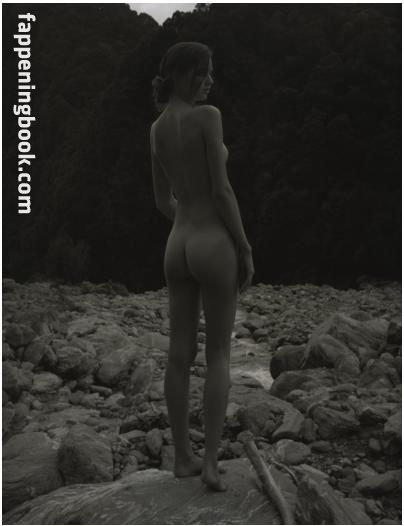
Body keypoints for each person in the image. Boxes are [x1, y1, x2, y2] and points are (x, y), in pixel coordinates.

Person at [149, 41, 254, 492]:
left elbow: (163, 201)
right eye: (206, 72)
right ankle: (210, 463)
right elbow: (222, 191)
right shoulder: (208, 117)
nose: (211, 80)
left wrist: (188, 224)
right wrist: (243, 247)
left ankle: (182, 459)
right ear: (186, 73)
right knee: (218, 355)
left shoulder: (156, 129)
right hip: (213, 241)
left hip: (178, 244)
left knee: (178, 354)